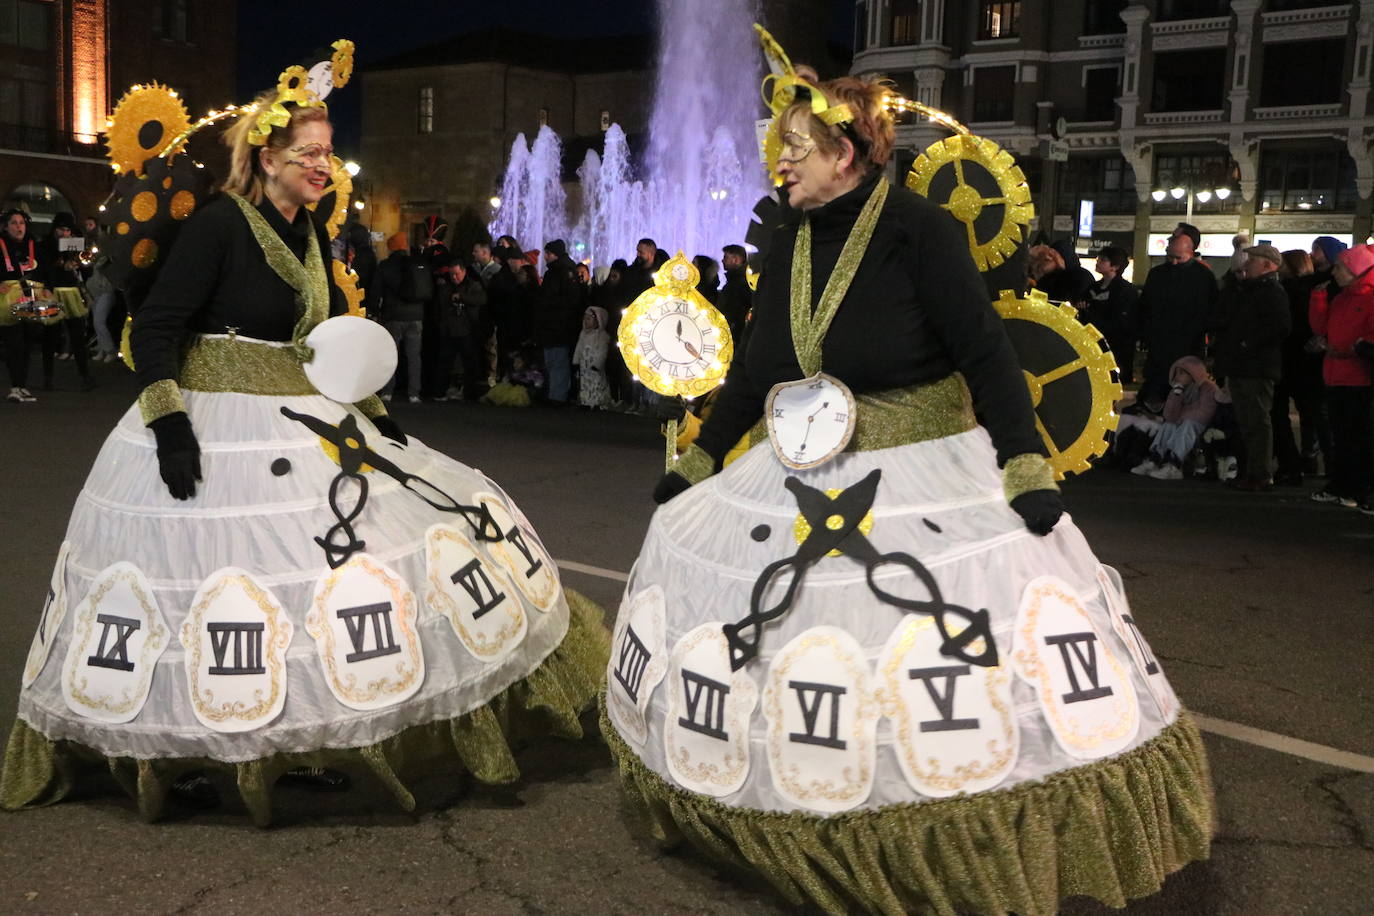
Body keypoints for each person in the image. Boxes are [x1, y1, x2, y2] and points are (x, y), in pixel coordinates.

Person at [600, 60, 1211, 915]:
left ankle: (943, 845)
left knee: (923, 661)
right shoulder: (790, 238)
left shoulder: (920, 229)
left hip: (921, 471)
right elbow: (765, 365)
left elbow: (985, 353)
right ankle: (795, 815)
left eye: (798, 149)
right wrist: (700, 459)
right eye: (782, 150)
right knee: (801, 652)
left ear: (847, 153)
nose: (782, 164)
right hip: (798, 465)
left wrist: (1023, 464)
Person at [2, 72, 608, 823]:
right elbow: (157, 328)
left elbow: (315, 339)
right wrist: (168, 425)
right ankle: (180, 755)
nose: (322, 166)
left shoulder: (311, 231)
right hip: (214, 424)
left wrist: (374, 410)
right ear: (265, 158)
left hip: (300, 413)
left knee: (315, 584)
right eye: (307, 153)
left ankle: (297, 742)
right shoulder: (220, 225)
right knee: (203, 590)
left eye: (328, 153)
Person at [1210, 244, 1291, 491]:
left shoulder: (1271, 291)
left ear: (1267, 264)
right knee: (1246, 420)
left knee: (1256, 421)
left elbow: (1280, 327)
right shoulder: (1250, 289)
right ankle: (1251, 470)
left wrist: (1247, 343)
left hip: (1256, 366)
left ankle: (1260, 472)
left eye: (1252, 260)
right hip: (1243, 364)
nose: (1247, 265)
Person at [1308, 244, 1374, 512]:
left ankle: (1357, 488)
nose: (1334, 272)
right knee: (1342, 436)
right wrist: (1318, 300)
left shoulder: (1368, 298)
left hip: (1358, 378)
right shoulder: (1344, 297)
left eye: (1339, 267)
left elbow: (1368, 340)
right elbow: (1321, 328)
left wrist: (1345, 351)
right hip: (1336, 374)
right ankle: (1342, 485)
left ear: (1353, 269)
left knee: (1358, 438)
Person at [1137, 223, 1218, 408]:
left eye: (1178, 258)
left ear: (1190, 251)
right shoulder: (1157, 274)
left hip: (1187, 345)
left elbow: (1210, 311)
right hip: (1159, 345)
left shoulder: (1202, 277)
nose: (1173, 262)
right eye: (1170, 257)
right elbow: (1146, 306)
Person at [1272, 249, 1326, 485]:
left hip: (1288, 359)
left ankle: (1291, 464)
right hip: (1309, 362)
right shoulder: (1315, 290)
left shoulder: (1286, 291)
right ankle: (1315, 458)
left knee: (1280, 414)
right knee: (1313, 415)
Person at [1129, 355, 1219, 479]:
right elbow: (1169, 416)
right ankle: (1155, 460)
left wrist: (1180, 419)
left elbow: (1204, 414)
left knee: (1187, 425)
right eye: (1177, 373)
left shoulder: (1208, 389)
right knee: (1169, 425)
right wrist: (1177, 394)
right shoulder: (1178, 389)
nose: (1178, 377)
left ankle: (1174, 464)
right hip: (1181, 425)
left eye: (1182, 373)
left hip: (1201, 428)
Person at [38, 212, 96, 391]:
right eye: (61, 229)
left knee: (78, 336)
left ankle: (85, 376)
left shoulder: (74, 244)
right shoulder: (45, 244)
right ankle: (48, 377)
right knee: (50, 336)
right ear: (55, 229)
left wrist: (80, 260)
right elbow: (44, 266)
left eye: (67, 230)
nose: (65, 233)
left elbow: (87, 270)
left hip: (71, 291)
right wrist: (62, 264)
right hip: (52, 291)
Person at [376, 231, 427, 402]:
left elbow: (377, 291)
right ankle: (414, 393)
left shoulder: (385, 265)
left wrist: (374, 311)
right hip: (416, 315)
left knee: (391, 354)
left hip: (393, 316)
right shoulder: (416, 263)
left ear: (391, 248)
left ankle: (388, 391)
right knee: (414, 356)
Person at [1079, 245, 1139, 384]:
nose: (1098, 262)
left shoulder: (1124, 290)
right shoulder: (1093, 287)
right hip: (1093, 339)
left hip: (1116, 342)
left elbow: (1123, 319)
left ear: (1115, 266)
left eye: (1103, 260)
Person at [433, 256, 488, 401]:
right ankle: (440, 392)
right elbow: (440, 307)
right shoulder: (446, 286)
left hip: (466, 330)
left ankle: (470, 393)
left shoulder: (473, 285)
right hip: (449, 330)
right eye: (451, 274)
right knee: (445, 363)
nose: (454, 277)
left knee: (470, 363)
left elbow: (481, 299)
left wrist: (462, 297)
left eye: (456, 274)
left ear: (463, 271)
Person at [1, 208, 42, 401]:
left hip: (30, 297)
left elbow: (43, 269)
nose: (18, 227)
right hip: (7, 300)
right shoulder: (1, 244)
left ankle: (22, 385)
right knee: (14, 343)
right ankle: (15, 386)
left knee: (27, 343)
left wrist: (47, 287)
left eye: (21, 223)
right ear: (6, 226)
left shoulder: (32, 244)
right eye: (14, 223)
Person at [535, 238, 581, 404]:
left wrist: (549, 304)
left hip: (559, 324)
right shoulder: (556, 271)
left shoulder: (564, 272)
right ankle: (554, 394)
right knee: (552, 360)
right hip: (552, 324)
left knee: (558, 361)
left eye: (547, 253)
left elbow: (571, 299)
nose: (545, 257)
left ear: (554, 254)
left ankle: (558, 396)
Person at [573, 305, 611, 409]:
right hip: (584, 365)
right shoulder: (583, 334)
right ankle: (586, 401)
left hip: (594, 365)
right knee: (585, 384)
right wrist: (576, 361)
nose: (586, 321)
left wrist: (597, 364)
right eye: (585, 318)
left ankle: (596, 402)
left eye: (589, 319)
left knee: (596, 384)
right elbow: (579, 348)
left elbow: (602, 352)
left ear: (598, 321)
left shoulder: (601, 336)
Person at [717, 243, 752, 346]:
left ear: (736, 260)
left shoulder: (738, 284)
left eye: (725, 257)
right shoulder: (740, 281)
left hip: (734, 333)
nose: (722, 260)